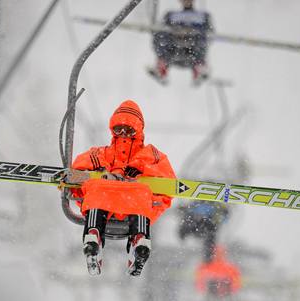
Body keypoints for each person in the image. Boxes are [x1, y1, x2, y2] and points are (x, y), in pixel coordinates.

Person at [71, 100, 176, 276]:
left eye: (129, 130)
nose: (123, 133)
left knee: (139, 191)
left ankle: (135, 239)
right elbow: (79, 168)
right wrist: (97, 171)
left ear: (138, 131)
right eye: (118, 129)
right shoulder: (102, 154)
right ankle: (99, 237)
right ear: (112, 129)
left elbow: (167, 180)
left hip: (127, 207)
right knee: (98, 186)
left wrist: (142, 168)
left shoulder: (150, 155)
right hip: (113, 204)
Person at [177, 202, 241, 296]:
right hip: (209, 218)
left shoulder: (206, 269)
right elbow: (236, 278)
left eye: (218, 289)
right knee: (208, 230)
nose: (220, 287)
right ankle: (211, 209)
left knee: (194, 229)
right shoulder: (227, 271)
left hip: (201, 217)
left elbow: (200, 280)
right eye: (223, 288)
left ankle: (197, 211)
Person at [148, 0, 214, 86]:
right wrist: (177, 32)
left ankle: (199, 69)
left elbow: (210, 33)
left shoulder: (203, 16)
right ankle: (161, 67)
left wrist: (191, 32)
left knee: (203, 35)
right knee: (159, 33)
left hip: (193, 52)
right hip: (173, 49)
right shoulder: (171, 14)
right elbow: (162, 28)